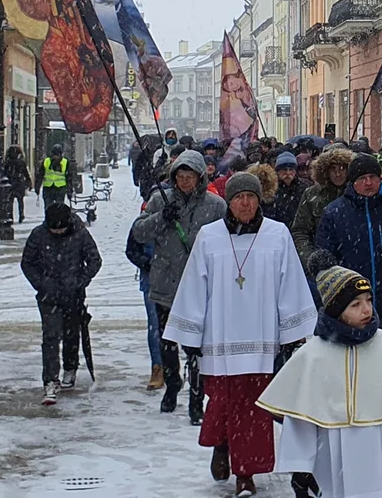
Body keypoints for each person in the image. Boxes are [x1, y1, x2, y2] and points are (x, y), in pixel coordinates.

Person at [162, 171, 318, 498]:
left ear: (259, 200)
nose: (245, 203)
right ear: (229, 202)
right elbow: (194, 286)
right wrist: (190, 334)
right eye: (238, 198)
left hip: (260, 340)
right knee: (220, 402)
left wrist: (293, 332)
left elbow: (290, 282)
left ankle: (245, 473)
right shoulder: (209, 236)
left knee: (252, 409)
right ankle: (221, 444)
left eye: (251, 197)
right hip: (218, 338)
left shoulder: (277, 234)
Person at [258, 266, 382, 498]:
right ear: (336, 311)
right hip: (331, 457)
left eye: (369, 300)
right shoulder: (312, 356)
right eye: (355, 304)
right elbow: (301, 418)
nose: (366, 309)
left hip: (379, 452)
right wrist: (300, 469)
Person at [130, 150, 228, 423]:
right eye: (181, 177)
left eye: (190, 177)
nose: (185, 182)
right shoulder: (160, 200)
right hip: (166, 284)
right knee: (167, 342)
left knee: (196, 348)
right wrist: (162, 217)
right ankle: (172, 385)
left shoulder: (215, 205)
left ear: (199, 178)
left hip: (200, 286)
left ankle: (197, 398)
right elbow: (138, 232)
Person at [21, 203, 102, 405]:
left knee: (71, 333)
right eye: (53, 229)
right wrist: (41, 284)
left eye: (60, 229)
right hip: (48, 296)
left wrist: (79, 282)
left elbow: (94, 260)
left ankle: (70, 368)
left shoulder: (80, 235)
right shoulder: (39, 235)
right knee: (50, 337)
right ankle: (50, 379)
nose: (57, 232)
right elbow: (27, 262)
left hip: (73, 295)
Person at [308, 154, 382, 323]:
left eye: (373, 177)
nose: (368, 183)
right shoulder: (335, 212)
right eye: (362, 178)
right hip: (351, 305)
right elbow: (325, 258)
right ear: (352, 182)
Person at [290, 145, 354, 270]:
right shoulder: (312, 194)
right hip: (322, 266)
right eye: (333, 169)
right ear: (325, 171)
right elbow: (300, 231)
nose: (338, 174)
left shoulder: (356, 193)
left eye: (342, 168)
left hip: (353, 263)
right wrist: (310, 259)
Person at [126, 207, 164, 391]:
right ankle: (158, 367)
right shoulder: (143, 223)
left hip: (179, 277)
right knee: (155, 325)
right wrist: (148, 263)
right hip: (151, 280)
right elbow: (131, 250)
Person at [269, 152, 310, 226]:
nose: (288, 173)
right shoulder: (271, 188)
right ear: (278, 171)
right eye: (284, 170)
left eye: (291, 169)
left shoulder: (305, 186)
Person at [2, 145, 33, 223]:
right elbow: (25, 173)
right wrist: (29, 182)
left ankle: (10, 216)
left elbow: (4, 173)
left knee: (10, 201)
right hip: (19, 183)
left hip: (10, 183)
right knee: (20, 200)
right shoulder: (21, 162)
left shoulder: (7, 162)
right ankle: (21, 215)